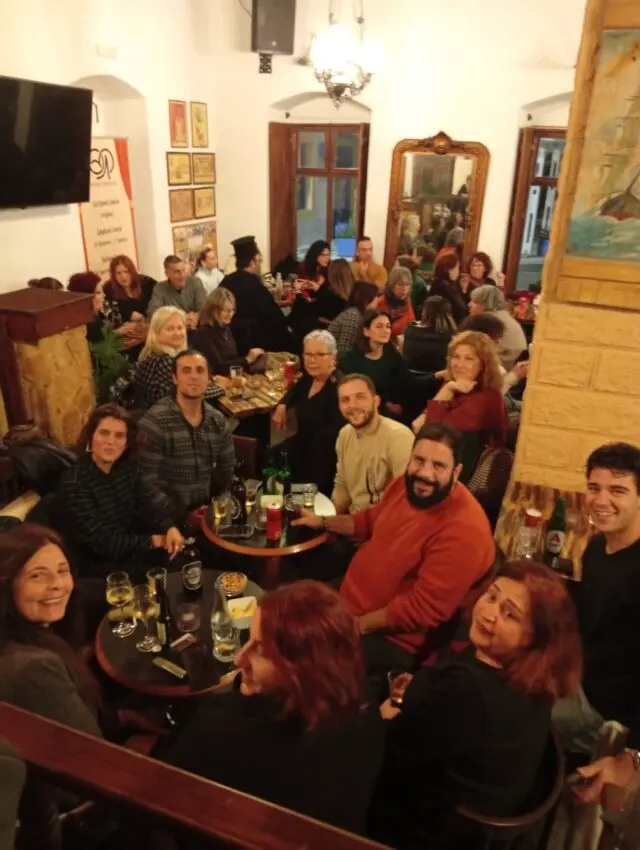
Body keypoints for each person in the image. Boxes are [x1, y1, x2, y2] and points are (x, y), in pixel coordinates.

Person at [370, 560, 582, 850]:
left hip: (424, 827)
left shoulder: (467, 692)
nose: (489, 613)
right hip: (470, 811)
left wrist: (385, 713)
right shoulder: (536, 679)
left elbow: (390, 750)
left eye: (510, 614)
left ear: (534, 637)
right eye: (492, 596)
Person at [162, 581, 384, 834]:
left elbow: (167, 789)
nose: (239, 658)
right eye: (248, 640)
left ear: (299, 674)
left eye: (260, 651)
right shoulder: (365, 708)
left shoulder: (221, 727)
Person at [294, 422, 495, 674]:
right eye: (419, 460)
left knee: (303, 663)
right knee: (288, 612)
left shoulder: (464, 529)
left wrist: (356, 626)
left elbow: (423, 609)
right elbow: (368, 521)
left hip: (389, 637)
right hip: (349, 599)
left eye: (438, 466)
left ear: (456, 472)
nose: (425, 473)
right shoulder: (404, 485)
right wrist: (323, 521)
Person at [553, 442, 640, 756]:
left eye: (617, 490)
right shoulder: (596, 547)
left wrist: (632, 753)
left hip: (606, 712)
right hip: (578, 677)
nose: (601, 501)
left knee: (514, 711)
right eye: (594, 488)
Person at [52, 404, 183, 577]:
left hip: (130, 550)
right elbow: (101, 541)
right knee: (168, 574)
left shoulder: (126, 469)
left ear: (127, 442)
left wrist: (169, 527)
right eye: (104, 433)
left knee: (187, 560)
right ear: (91, 436)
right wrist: (153, 540)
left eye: (119, 436)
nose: (111, 442)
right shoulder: (74, 482)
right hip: (97, 564)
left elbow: (146, 505)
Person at [0, 524, 102, 736]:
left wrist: (120, 716)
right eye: (37, 575)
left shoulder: (38, 633)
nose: (57, 584)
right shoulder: (34, 669)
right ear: (7, 585)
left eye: (62, 570)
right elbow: (92, 748)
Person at [138, 349, 235, 524]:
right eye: (186, 371)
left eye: (200, 370)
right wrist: (183, 516)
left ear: (208, 378)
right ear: (174, 378)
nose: (194, 376)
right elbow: (146, 483)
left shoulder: (218, 421)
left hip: (208, 513)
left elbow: (226, 472)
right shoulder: (154, 423)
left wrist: (214, 508)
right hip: (166, 520)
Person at [412, 331, 509, 472]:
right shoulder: (456, 384)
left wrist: (447, 390)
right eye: (456, 357)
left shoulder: (484, 398)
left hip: (460, 470)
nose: (459, 364)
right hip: (437, 461)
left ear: (483, 365)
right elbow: (418, 425)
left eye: (468, 359)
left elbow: (428, 433)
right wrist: (448, 389)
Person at [272, 330, 344, 496]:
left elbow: (332, 439)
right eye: (308, 354)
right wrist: (282, 405)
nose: (312, 360)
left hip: (325, 457)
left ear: (333, 357)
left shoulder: (339, 387)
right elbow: (294, 392)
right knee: (269, 457)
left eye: (320, 354)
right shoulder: (310, 378)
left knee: (278, 460)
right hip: (303, 443)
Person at [333, 374, 414, 513]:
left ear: (376, 401)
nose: (352, 405)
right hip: (354, 520)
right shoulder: (345, 434)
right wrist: (328, 519)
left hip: (384, 521)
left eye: (360, 397)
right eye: (345, 400)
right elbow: (342, 485)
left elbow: (404, 499)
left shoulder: (398, 437)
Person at [339, 310, 436, 421]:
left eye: (388, 326)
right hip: (361, 411)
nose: (385, 331)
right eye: (379, 326)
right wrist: (385, 406)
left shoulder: (392, 355)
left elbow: (410, 383)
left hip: (391, 413)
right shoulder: (350, 359)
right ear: (366, 331)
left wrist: (437, 376)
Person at [128, 306, 221, 411]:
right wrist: (223, 387)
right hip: (164, 418)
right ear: (156, 333)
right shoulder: (164, 360)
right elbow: (193, 391)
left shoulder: (152, 353)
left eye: (180, 328)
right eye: (170, 329)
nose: (177, 333)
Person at [223, 235, 293, 354]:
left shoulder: (226, 282)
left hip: (230, 341)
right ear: (252, 262)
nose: (260, 264)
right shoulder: (255, 285)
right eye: (259, 260)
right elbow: (274, 317)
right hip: (256, 343)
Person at [192, 287, 265, 376]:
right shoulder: (203, 334)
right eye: (227, 310)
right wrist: (247, 360)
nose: (231, 314)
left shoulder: (225, 329)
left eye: (233, 310)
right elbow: (217, 367)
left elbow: (233, 359)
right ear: (213, 310)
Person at [288, 257, 351, 348]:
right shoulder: (348, 295)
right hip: (326, 330)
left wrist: (298, 292)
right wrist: (317, 288)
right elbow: (324, 300)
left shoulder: (333, 299)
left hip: (321, 335)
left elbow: (305, 309)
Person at [103, 254, 156, 358]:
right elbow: (109, 312)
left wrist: (146, 323)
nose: (123, 277)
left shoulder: (147, 283)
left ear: (132, 271)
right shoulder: (109, 288)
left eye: (126, 272)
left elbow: (159, 307)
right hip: (128, 337)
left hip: (150, 331)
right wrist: (128, 315)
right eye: (118, 273)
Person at [469, 284, 527, 370]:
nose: (469, 304)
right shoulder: (504, 315)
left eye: (475, 302)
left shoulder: (486, 321)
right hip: (513, 365)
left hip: (501, 366)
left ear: (486, 304)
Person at [146, 255, 206, 329]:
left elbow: (204, 309)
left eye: (183, 270)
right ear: (167, 274)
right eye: (177, 272)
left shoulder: (195, 282)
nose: (182, 275)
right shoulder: (159, 288)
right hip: (173, 330)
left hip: (197, 328)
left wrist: (194, 319)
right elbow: (153, 314)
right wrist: (183, 318)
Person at [403, 295, 457, 374]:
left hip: (411, 377)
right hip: (441, 377)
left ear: (424, 313)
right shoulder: (452, 338)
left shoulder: (410, 331)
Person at [327, 280, 379, 354]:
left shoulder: (357, 314)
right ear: (365, 299)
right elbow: (344, 350)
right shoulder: (353, 316)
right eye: (375, 296)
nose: (377, 299)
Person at [377, 267, 416, 341]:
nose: (404, 289)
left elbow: (411, 323)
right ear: (392, 286)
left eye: (407, 285)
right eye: (400, 284)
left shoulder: (407, 301)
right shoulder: (381, 303)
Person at [428, 253, 468, 325]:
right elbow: (461, 311)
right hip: (447, 326)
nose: (459, 272)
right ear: (449, 269)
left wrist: (463, 290)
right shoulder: (445, 287)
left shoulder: (437, 282)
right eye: (457, 268)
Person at [68, 271, 106, 344]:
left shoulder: (98, 314)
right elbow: (102, 347)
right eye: (98, 292)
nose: (103, 295)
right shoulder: (86, 323)